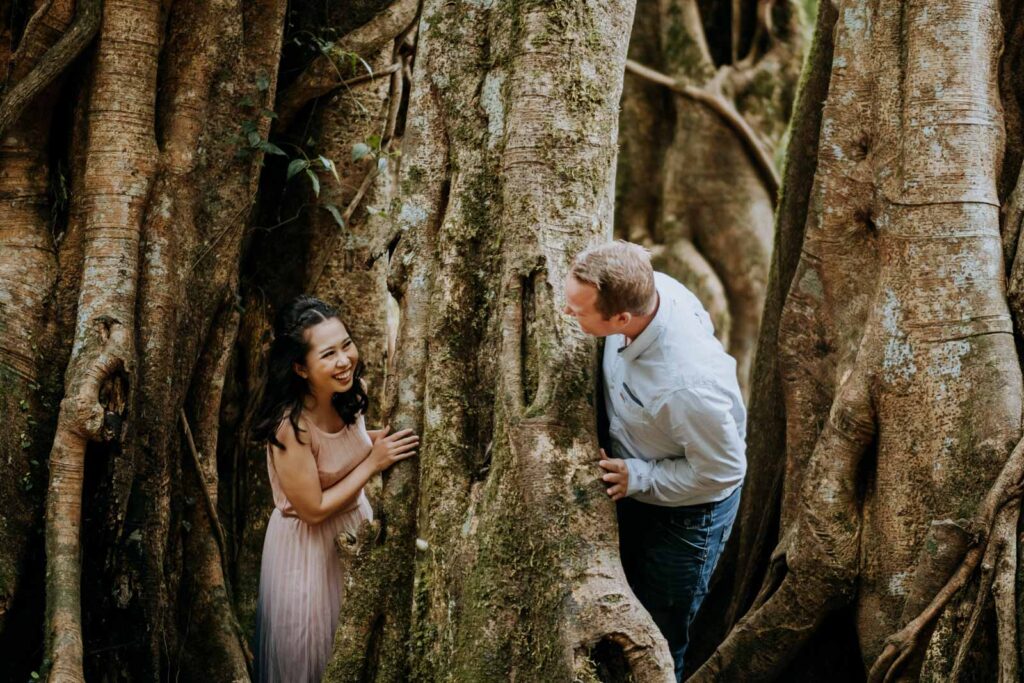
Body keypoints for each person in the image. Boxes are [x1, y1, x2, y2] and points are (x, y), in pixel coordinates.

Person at [563, 241, 746, 680]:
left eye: (578, 310)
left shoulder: (687, 387)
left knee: (655, 639)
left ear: (622, 319)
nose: (566, 314)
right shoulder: (653, 288)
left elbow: (722, 472)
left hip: (687, 517)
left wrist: (640, 476)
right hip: (637, 478)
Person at [251, 295, 418, 683]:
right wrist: (376, 461)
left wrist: (383, 443)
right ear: (301, 368)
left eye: (346, 346)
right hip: (306, 552)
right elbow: (312, 508)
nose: (343, 361)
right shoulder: (290, 426)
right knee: (314, 657)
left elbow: (349, 446)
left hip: (355, 534)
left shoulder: (348, 392)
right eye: (327, 354)